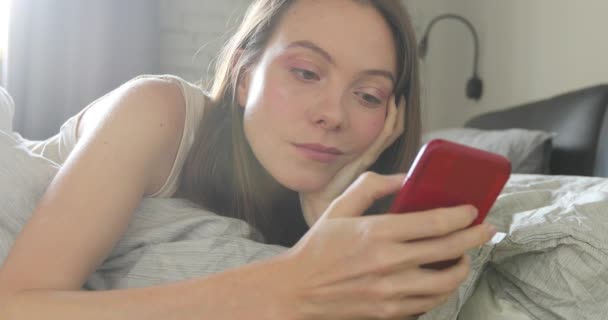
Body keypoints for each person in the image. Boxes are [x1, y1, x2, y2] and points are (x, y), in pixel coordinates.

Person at [0, 0, 496, 318]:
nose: (333, 115)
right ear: (242, 79)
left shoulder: (324, 210)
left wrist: (321, 210)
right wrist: (282, 287)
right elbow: (15, 305)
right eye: (305, 72)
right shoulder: (159, 112)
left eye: (368, 95)